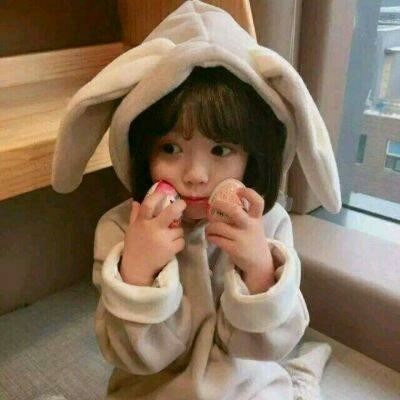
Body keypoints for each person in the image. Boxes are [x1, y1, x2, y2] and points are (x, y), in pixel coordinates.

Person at [52, 1, 341, 399]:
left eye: (220, 150)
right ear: (141, 151)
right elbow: (128, 356)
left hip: (248, 385)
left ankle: (300, 380)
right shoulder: (119, 227)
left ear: (253, 157)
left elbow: (272, 345)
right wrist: (137, 274)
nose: (195, 175)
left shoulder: (269, 224)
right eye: (170, 148)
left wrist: (259, 270)